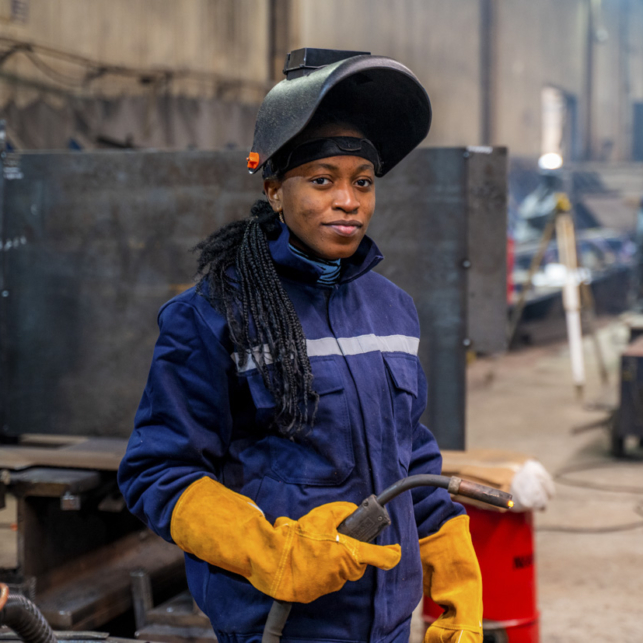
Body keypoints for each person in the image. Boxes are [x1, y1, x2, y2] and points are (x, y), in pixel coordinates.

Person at [118, 49, 483, 643]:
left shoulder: (393, 308)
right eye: (322, 181)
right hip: (281, 623)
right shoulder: (212, 313)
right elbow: (158, 470)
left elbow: (409, 458)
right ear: (274, 191)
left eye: (362, 182)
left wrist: (452, 574)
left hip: (388, 621)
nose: (348, 200)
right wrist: (271, 551)